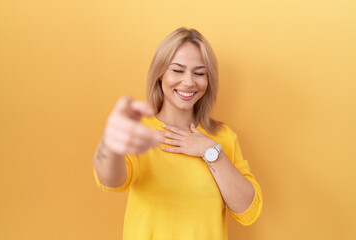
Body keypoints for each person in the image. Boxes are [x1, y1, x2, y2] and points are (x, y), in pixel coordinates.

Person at [93, 27, 262, 240]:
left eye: (199, 73)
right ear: (160, 74)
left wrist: (211, 152)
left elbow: (248, 210)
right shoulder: (141, 131)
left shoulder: (222, 137)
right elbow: (110, 180)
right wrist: (111, 142)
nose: (189, 82)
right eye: (177, 70)